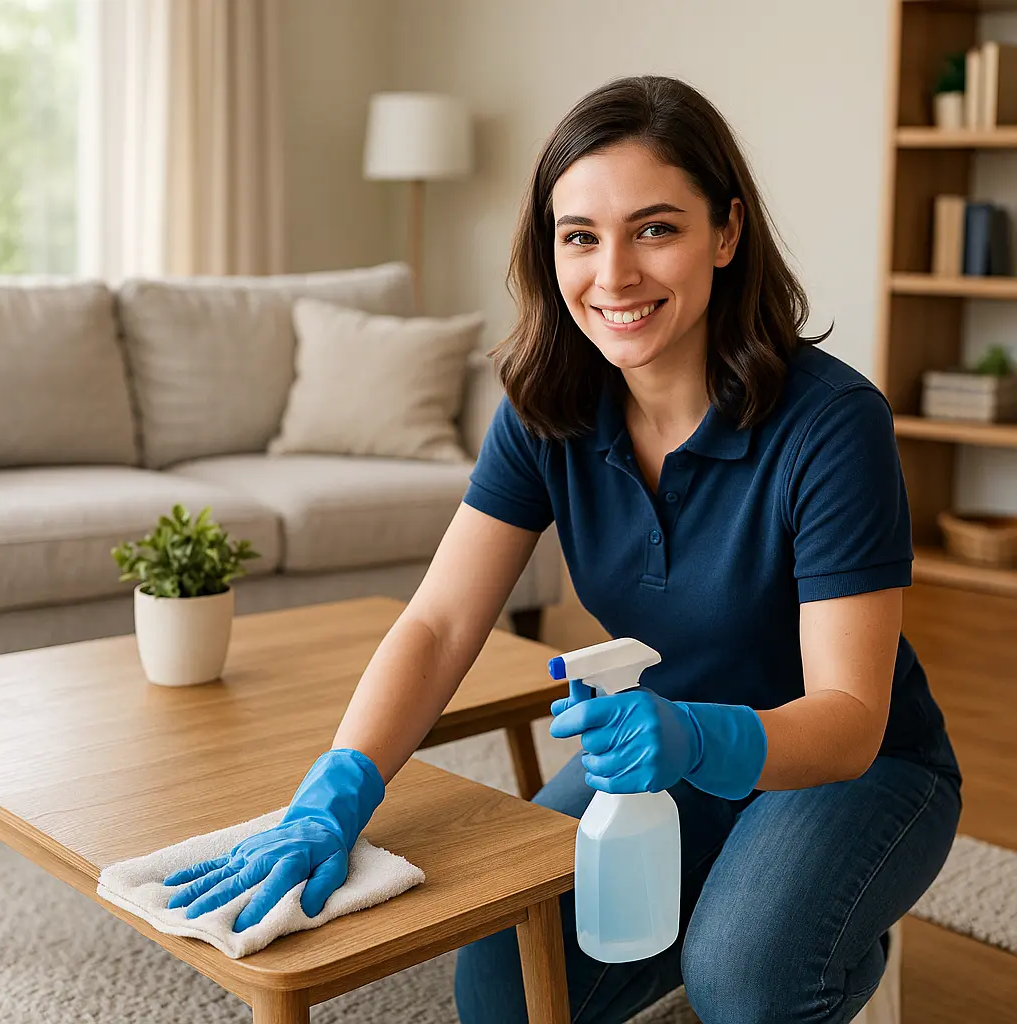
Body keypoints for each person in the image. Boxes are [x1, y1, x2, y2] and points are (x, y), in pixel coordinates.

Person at [163, 76, 962, 1024]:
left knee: (746, 979)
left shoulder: (831, 426)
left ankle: (801, 936)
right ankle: (727, 907)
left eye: (655, 229)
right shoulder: (548, 408)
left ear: (727, 232)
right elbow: (442, 619)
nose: (613, 275)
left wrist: (699, 736)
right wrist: (337, 790)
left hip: (851, 769)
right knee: (502, 985)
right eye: (580, 235)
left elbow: (849, 718)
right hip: (659, 754)